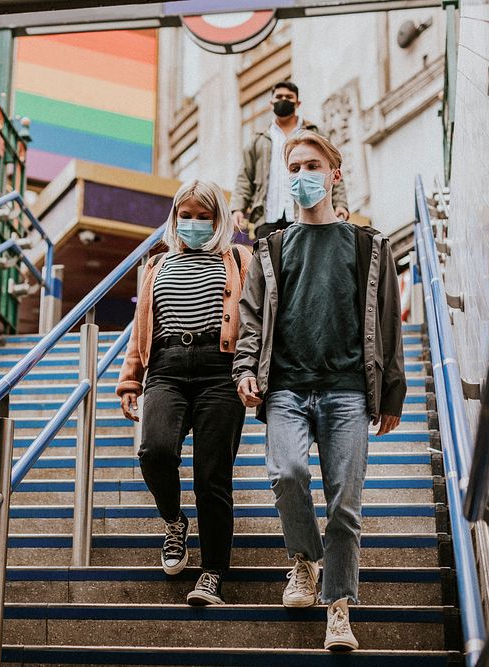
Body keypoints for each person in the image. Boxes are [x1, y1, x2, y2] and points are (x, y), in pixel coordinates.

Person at [232, 131, 406, 650]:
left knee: (345, 504)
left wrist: (391, 392)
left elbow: (388, 323)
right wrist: (245, 367)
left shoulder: (369, 246)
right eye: (294, 166)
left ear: (334, 173)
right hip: (285, 387)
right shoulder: (272, 246)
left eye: (313, 165)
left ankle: (339, 606)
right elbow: (251, 316)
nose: (302, 175)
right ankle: (303, 560)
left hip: (348, 389)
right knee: (287, 473)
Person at [117, 179, 252, 606]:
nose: (193, 223)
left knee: (212, 477)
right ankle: (175, 522)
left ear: (220, 220)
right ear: (175, 218)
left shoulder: (238, 259)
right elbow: (143, 328)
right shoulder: (157, 265)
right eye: (186, 216)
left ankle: (212, 572)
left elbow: (255, 321)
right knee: (154, 452)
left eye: (203, 216)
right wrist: (129, 380)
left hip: (220, 370)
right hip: (167, 369)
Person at [230, 81, 350, 241]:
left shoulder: (314, 133)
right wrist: (237, 208)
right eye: (279, 96)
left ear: (298, 103)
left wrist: (340, 204)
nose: (283, 99)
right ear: (271, 102)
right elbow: (244, 178)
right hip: (267, 219)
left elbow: (333, 169)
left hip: (306, 215)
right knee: (269, 264)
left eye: (289, 97)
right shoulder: (258, 140)